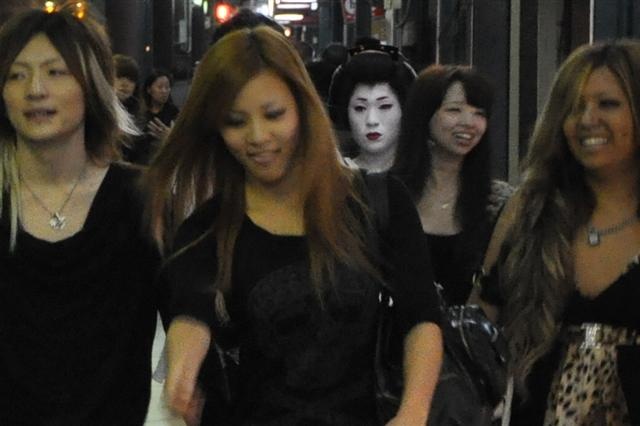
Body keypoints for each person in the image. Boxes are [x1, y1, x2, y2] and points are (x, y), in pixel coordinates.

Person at [145, 26, 443, 425]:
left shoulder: (378, 202)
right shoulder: (207, 228)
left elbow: (421, 316)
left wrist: (413, 411)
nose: (257, 137)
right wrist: (182, 370)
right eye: (235, 121)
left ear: (303, 106)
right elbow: (191, 313)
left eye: (274, 115)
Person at [0, 6, 162, 425]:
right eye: (16, 75)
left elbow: (193, 294)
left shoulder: (142, 198)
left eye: (55, 72)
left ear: (91, 85)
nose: (35, 90)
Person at [472, 40, 640, 425]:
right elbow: (477, 332)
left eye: (607, 104)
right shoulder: (530, 210)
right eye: (573, 106)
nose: (587, 119)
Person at [392, 64, 513, 306]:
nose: (469, 122)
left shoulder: (500, 203)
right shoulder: (385, 194)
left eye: (479, 113)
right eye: (454, 110)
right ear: (424, 115)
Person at [328, 45, 416, 171]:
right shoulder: (331, 175)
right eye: (360, 108)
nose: (371, 120)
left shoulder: (428, 175)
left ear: (404, 109)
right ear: (345, 112)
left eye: (385, 106)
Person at [129, 68, 179, 164]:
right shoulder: (139, 112)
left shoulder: (173, 112)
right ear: (149, 90)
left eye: (167, 87)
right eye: (160, 87)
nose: (164, 91)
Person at [113, 53, 141, 119]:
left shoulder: (140, 113)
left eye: (131, 79)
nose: (125, 84)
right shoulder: (95, 109)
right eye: (119, 77)